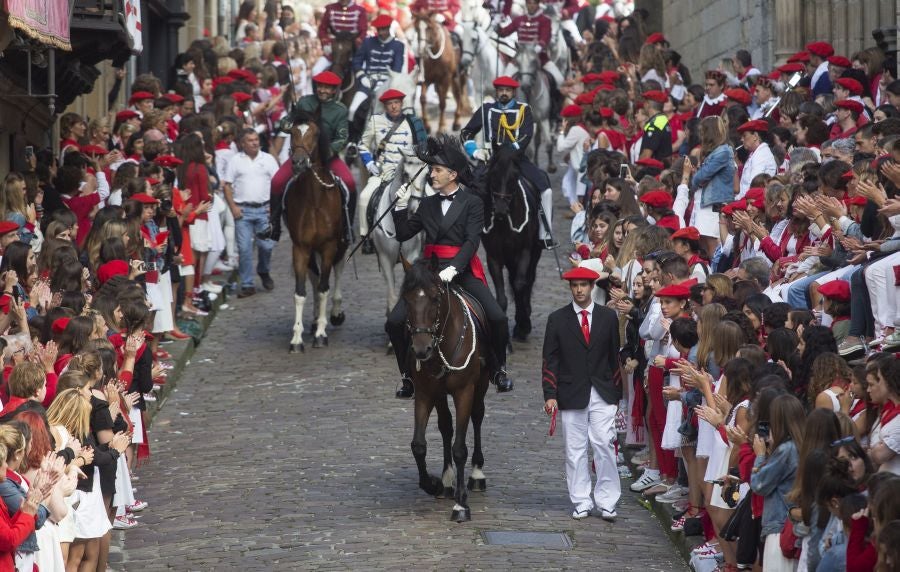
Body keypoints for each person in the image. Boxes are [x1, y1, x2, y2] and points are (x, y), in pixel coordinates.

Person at [385, 134, 512, 398]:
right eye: (431, 169)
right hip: (429, 272)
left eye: (437, 170)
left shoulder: (472, 203)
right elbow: (403, 233)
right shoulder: (427, 204)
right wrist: (400, 206)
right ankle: (407, 376)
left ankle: (499, 369)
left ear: (452, 174)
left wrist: (454, 268)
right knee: (395, 322)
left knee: (497, 317)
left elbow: (471, 241)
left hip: (460, 270)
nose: (432, 173)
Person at [542, 266, 621, 521]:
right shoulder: (557, 319)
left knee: (604, 444)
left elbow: (613, 357)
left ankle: (607, 500)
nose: (579, 290)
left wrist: (616, 392)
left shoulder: (608, 318)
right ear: (570, 288)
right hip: (570, 391)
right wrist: (550, 394)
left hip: (602, 391)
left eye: (584, 285)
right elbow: (550, 359)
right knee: (574, 449)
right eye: (575, 285)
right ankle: (581, 500)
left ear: (592, 287)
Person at [460, 76, 556, 248]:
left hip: (516, 159)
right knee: (467, 191)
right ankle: (463, 234)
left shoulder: (524, 109)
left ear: (513, 92)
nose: (504, 93)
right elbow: (466, 133)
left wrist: (508, 153)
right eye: (501, 90)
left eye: (508, 90)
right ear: (496, 91)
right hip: (490, 160)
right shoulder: (486, 109)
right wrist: (474, 151)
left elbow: (526, 135)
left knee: (546, 190)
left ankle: (545, 233)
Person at [269, 71, 354, 242]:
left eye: (327, 88)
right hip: (301, 154)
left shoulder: (340, 110)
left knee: (351, 183)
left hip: (328, 158)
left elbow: (342, 137)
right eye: (320, 86)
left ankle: (347, 227)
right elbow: (286, 124)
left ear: (334, 90)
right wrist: (292, 120)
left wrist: (327, 152)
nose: (322, 90)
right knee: (277, 181)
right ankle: (274, 225)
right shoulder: (304, 102)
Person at [357, 89, 422, 246]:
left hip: (409, 173)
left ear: (401, 104)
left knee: (427, 197)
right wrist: (369, 163)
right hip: (383, 173)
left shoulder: (413, 122)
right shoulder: (374, 121)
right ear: (384, 106)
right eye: (389, 104)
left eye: (396, 103)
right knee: (364, 197)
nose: (394, 107)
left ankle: (429, 235)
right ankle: (366, 237)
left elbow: (421, 148)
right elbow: (362, 146)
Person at [221, 128, 279, 298]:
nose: (255, 143)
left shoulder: (268, 159)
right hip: (243, 210)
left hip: (265, 209)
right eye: (250, 140)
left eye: (256, 139)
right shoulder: (235, 161)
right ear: (242, 143)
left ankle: (263, 269)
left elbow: (277, 183)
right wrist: (233, 207)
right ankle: (247, 283)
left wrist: (274, 207)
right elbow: (227, 185)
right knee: (245, 249)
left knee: (266, 245)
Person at [348, 15, 405, 117]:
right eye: (379, 30)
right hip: (367, 81)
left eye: (384, 29)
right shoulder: (368, 42)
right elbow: (357, 61)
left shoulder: (398, 46)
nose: (381, 33)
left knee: (393, 113)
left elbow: (397, 69)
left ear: (389, 28)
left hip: (387, 83)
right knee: (352, 109)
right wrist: (362, 77)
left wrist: (387, 83)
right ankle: (351, 133)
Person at [313, 0, 368, 75]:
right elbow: (322, 29)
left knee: (364, 71)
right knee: (315, 71)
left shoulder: (360, 10)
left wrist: (357, 44)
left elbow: (363, 31)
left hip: (353, 49)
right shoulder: (330, 8)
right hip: (334, 47)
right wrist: (325, 43)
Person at [736, 119, 777, 198]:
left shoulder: (761, 155)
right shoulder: (756, 153)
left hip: (752, 200)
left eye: (744, 135)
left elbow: (753, 185)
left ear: (755, 136)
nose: (742, 139)